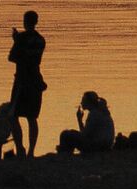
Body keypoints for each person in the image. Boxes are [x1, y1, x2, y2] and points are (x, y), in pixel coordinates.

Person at [8, 11, 47, 157]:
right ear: (36, 21)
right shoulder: (41, 40)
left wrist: (16, 40)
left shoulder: (22, 38)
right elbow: (34, 59)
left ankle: (20, 149)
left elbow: (12, 57)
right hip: (36, 80)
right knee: (32, 117)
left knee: (12, 115)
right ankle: (31, 151)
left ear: (25, 21)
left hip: (23, 80)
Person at [56, 91, 115, 155]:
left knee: (65, 134)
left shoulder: (94, 114)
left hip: (98, 146)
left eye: (83, 100)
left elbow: (84, 135)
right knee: (70, 134)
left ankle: (64, 153)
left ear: (89, 102)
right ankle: (66, 153)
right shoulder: (100, 111)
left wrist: (79, 120)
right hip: (105, 145)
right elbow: (87, 134)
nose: (81, 103)